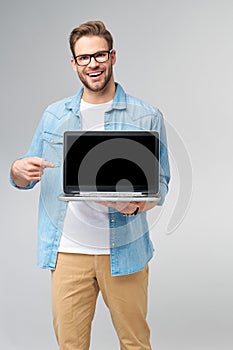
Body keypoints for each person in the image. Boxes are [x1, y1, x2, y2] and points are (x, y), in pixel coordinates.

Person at [10, 20, 170, 350]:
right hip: (67, 253)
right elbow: (23, 177)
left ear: (112, 57)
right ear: (74, 64)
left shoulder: (146, 115)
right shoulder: (54, 115)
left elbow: (161, 183)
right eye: (84, 58)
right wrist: (16, 171)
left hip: (124, 251)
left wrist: (139, 204)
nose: (92, 64)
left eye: (99, 55)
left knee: (135, 343)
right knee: (70, 345)